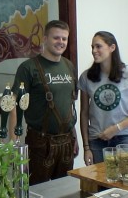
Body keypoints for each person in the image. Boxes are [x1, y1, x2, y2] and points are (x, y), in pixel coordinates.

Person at [9, 20, 79, 185]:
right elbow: (12, 105)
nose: (61, 42)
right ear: (45, 39)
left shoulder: (69, 66)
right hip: (39, 143)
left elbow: (68, 104)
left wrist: (74, 137)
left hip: (67, 142)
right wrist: (15, 145)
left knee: (64, 191)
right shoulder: (28, 68)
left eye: (64, 39)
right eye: (56, 38)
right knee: (36, 191)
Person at [79, 31, 128, 165]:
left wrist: (115, 128)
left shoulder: (126, 74)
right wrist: (86, 148)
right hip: (97, 141)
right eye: (92, 47)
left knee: (122, 183)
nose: (94, 51)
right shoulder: (86, 77)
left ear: (112, 48)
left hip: (124, 138)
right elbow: (84, 113)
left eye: (98, 46)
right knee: (100, 184)